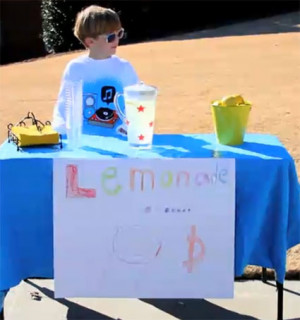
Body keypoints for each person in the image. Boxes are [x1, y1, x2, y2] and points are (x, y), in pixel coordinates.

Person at [52, 5, 139, 137]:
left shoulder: (124, 68)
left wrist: (128, 128)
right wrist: (61, 131)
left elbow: (136, 104)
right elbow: (64, 107)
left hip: (119, 142)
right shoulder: (75, 68)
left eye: (119, 34)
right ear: (90, 41)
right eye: (110, 37)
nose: (117, 40)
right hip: (84, 145)